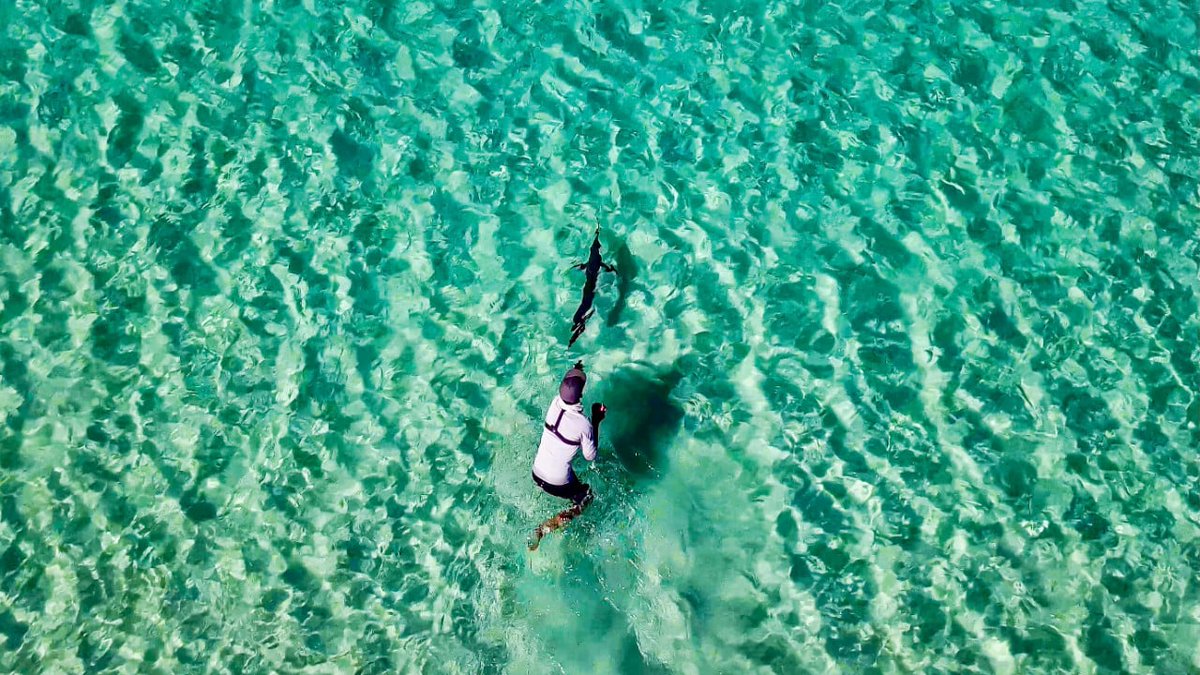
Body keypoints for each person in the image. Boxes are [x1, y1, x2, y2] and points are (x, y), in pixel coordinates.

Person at [528, 361, 606, 550]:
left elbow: (570, 387)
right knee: (587, 497)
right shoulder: (583, 424)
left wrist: (577, 368)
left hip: (537, 473)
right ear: (580, 396)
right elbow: (590, 456)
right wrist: (596, 420)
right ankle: (546, 527)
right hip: (557, 483)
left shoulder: (554, 404)